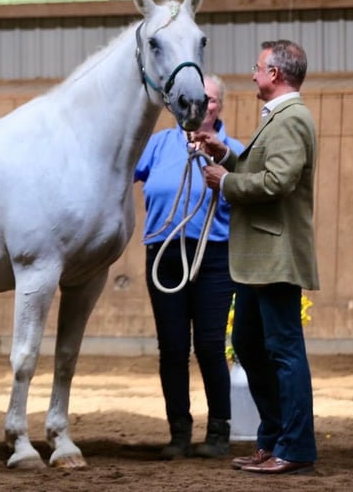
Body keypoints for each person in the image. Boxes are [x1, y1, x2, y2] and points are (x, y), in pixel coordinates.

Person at [196, 40, 319, 475]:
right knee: (249, 345)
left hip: (274, 255)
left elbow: (278, 181)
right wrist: (226, 155)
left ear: (275, 74)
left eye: (257, 67)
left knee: (284, 351)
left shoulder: (292, 118)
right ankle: (273, 438)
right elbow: (264, 170)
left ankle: (296, 447)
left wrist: (226, 181)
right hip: (258, 258)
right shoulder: (278, 118)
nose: (252, 74)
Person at [134, 74, 245, 459]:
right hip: (165, 253)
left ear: (220, 105)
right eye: (193, 99)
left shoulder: (234, 151)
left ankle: (219, 430)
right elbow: (119, 171)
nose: (201, 105)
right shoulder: (158, 145)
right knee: (172, 347)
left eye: (209, 99)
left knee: (210, 346)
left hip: (214, 256)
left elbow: (249, 195)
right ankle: (179, 431)